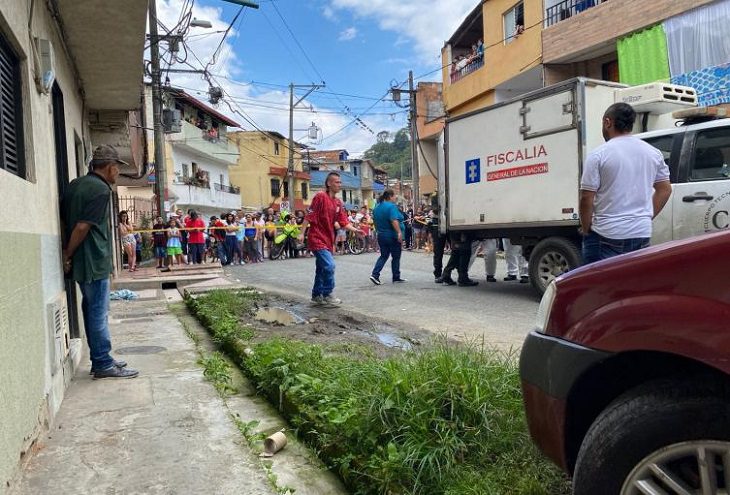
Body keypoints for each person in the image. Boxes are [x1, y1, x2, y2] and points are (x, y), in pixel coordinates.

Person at [61, 144, 138, 379]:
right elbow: (83, 226)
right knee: (98, 312)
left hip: (85, 262)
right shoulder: (100, 189)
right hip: (93, 260)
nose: (117, 174)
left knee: (90, 309)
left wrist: (69, 253)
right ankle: (103, 363)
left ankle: (101, 358)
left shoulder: (75, 185)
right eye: (117, 169)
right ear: (110, 167)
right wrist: (68, 253)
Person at [579, 103, 672, 264]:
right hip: (641, 232)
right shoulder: (653, 153)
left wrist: (586, 228)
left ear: (608, 122)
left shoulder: (598, 155)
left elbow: (587, 198)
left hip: (606, 234)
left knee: (598, 286)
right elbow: (665, 190)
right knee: (634, 284)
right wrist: (645, 217)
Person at [297, 172, 361, 307]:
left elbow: (343, 221)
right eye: (337, 182)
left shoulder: (338, 202)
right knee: (330, 265)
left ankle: (316, 295)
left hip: (328, 239)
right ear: (329, 183)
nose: (340, 184)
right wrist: (302, 233)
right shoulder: (320, 197)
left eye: (340, 182)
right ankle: (328, 294)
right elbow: (309, 216)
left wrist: (355, 230)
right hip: (316, 238)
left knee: (321, 268)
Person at [370, 189, 407, 285]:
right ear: (390, 196)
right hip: (391, 235)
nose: (395, 198)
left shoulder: (377, 208)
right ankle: (396, 277)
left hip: (381, 235)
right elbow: (393, 220)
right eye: (394, 196)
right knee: (396, 256)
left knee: (384, 255)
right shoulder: (391, 207)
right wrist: (399, 232)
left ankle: (375, 274)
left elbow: (374, 221)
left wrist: (378, 230)